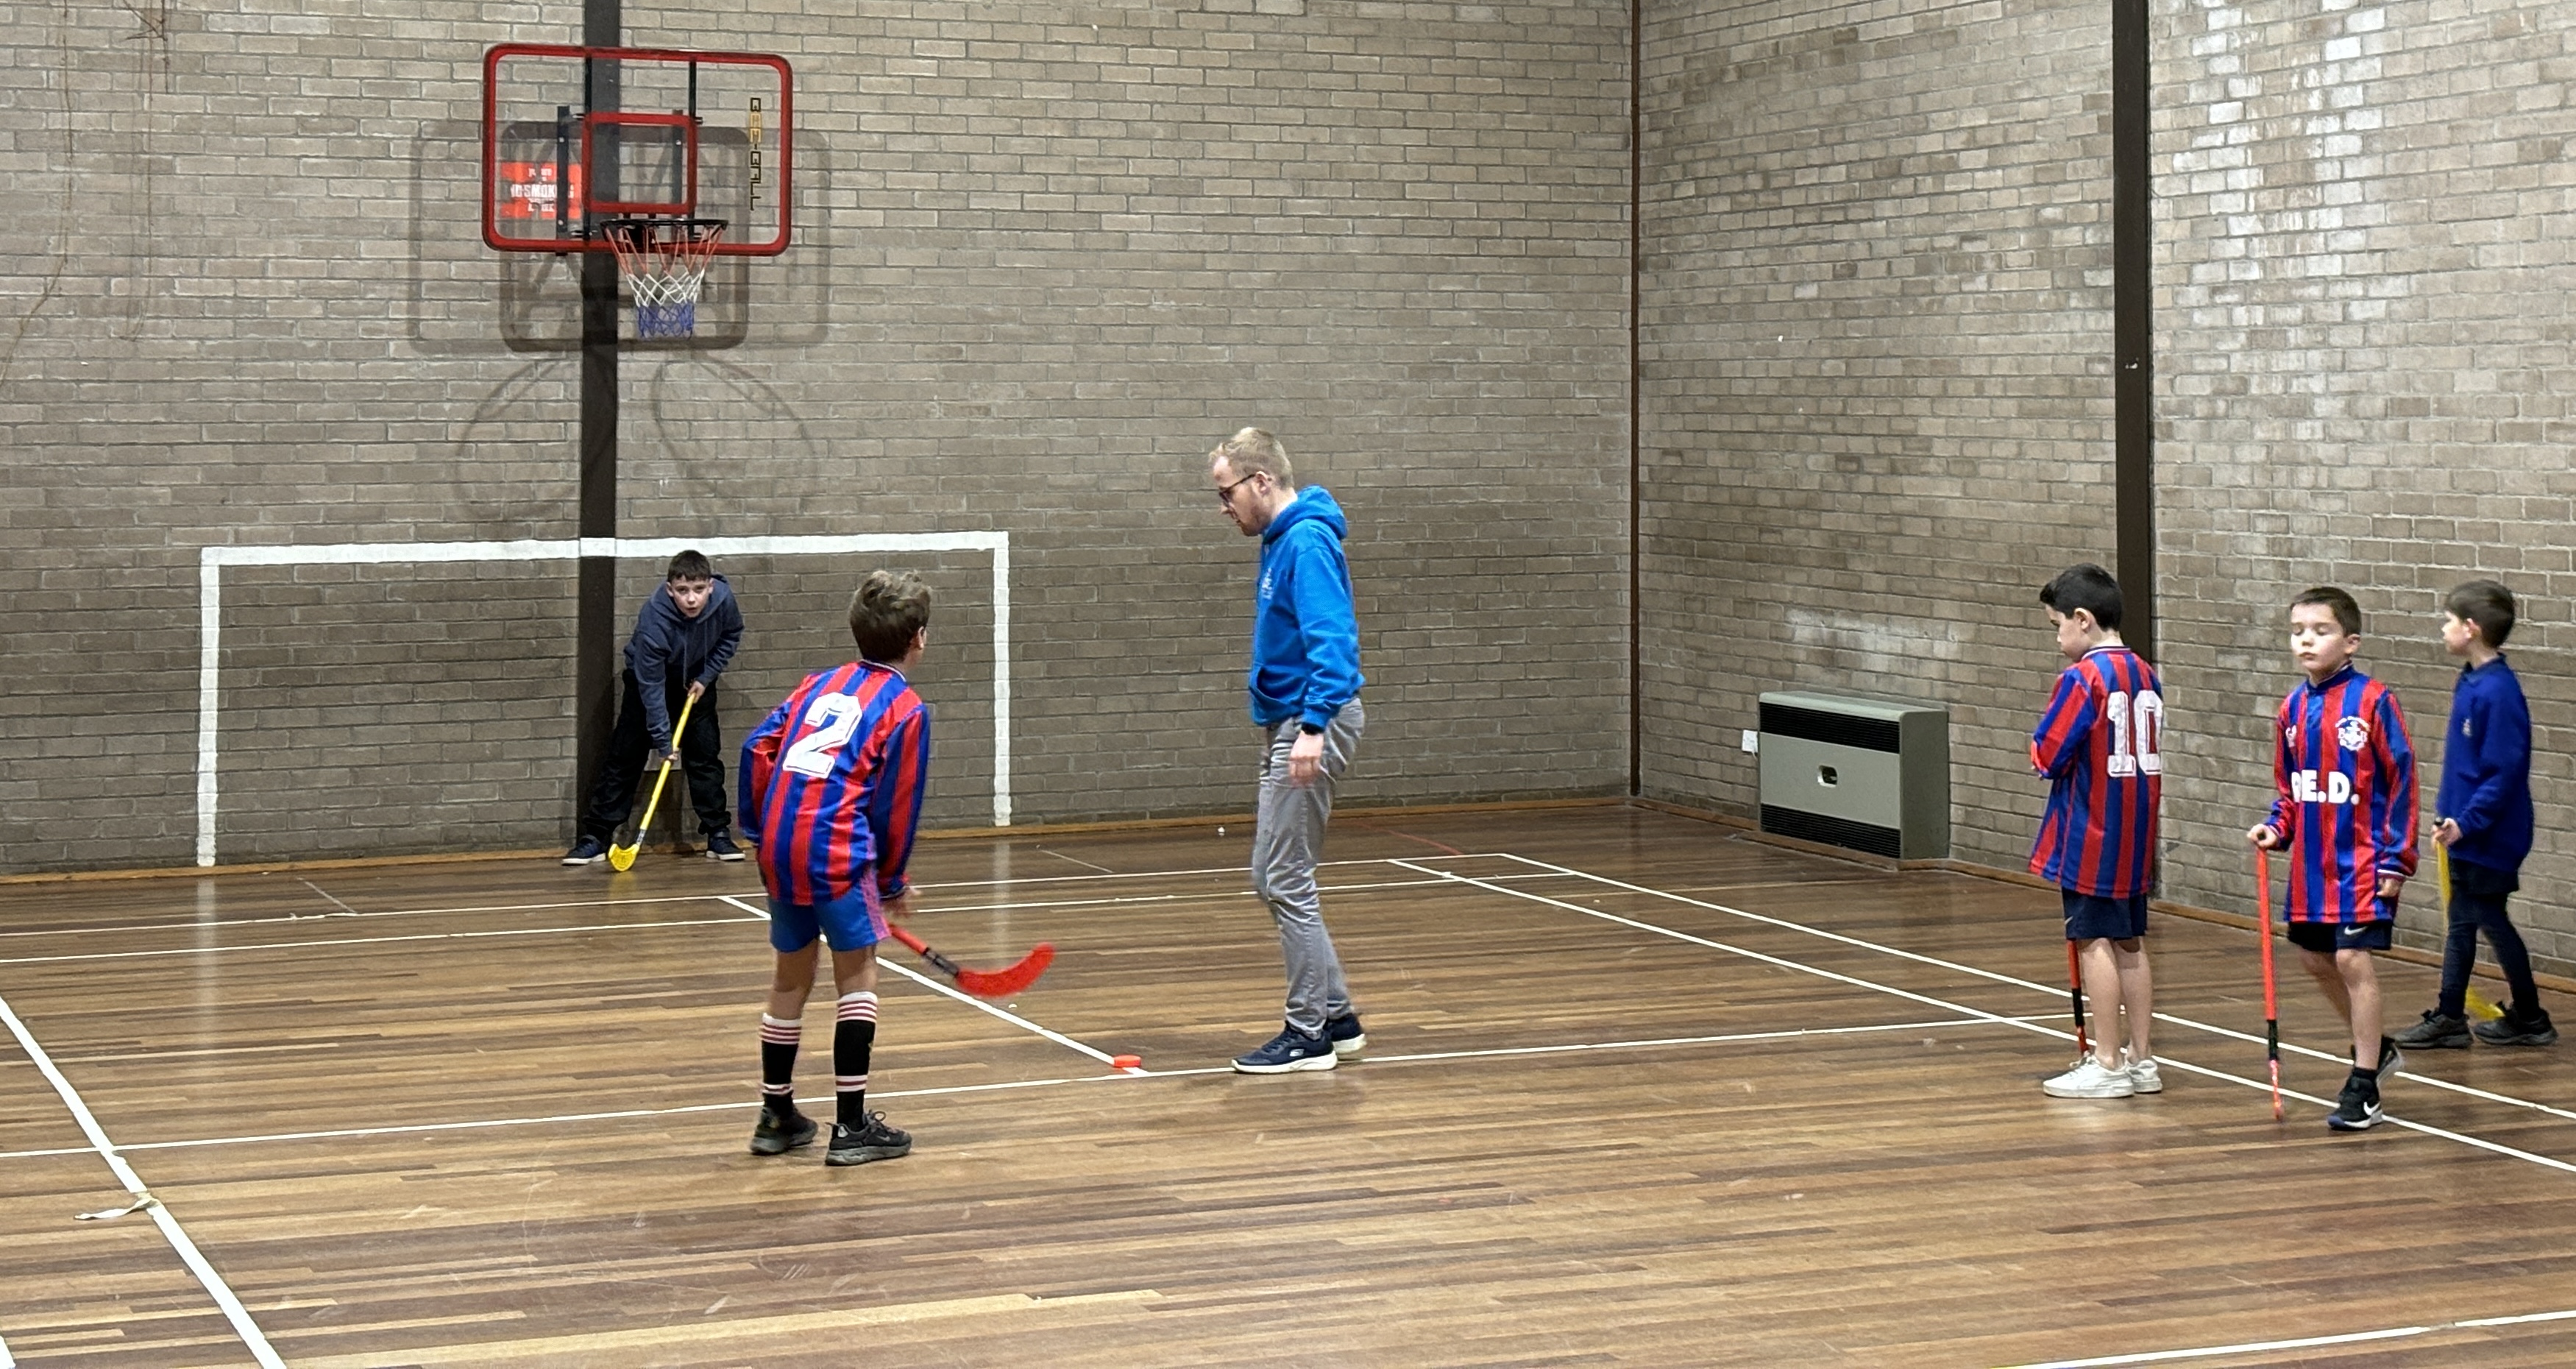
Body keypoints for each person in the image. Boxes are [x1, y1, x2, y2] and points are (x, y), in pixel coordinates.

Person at [734, 569, 933, 1166]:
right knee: (857, 976)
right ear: (918, 637)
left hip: (780, 842)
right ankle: (850, 1126)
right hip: (837, 849)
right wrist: (892, 880)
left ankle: (777, 1116)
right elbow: (895, 804)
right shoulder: (904, 707)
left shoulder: (819, 684)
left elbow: (756, 748)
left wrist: (756, 829)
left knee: (790, 977)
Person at [1209, 428, 1368, 1074]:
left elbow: (1335, 639)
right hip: (1290, 721)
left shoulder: (1305, 540)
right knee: (1271, 876)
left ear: (1261, 482)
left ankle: (1309, 1034)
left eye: (1227, 493)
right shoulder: (1283, 540)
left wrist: (1313, 726)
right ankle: (1337, 1016)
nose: (1224, 507)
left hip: (1310, 724)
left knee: (1284, 878)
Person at [2247, 586, 2419, 1131]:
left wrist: (2396, 859)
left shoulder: (2373, 701)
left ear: (2350, 642)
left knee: (2351, 960)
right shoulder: (2291, 708)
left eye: (2319, 631)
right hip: (2311, 871)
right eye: (2298, 631)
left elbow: (2400, 783)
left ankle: (2363, 1082)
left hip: (2363, 863)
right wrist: (2277, 828)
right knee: (2313, 959)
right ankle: (2378, 1047)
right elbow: (2290, 789)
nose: (2305, 640)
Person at [2393, 579, 2555, 1050]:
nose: (2442, 630)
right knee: (2472, 919)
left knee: (2477, 918)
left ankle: (2490, 1016)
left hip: (2491, 835)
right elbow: (2468, 766)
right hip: (2467, 830)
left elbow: (2504, 772)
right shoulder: (2471, 680)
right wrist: (2450, 815)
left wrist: (2469, 821)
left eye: (2447, 621)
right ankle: (2505, 1016)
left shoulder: (2499, 692)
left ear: (2471, 628)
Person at [2028, 565, 2163, 1100]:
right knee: (2129, 941)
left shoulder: (2082, 678)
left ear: (2082, 621)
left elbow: (2048, 752)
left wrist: (2035, 749)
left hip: (2090, 833)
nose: (2056, 635)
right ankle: (2140, 1058)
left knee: (2093, 941)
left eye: (2055, 624)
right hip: (2134, 834)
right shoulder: (2145, 673)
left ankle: (2106, 1061)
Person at [563, 549, 748, 865]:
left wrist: (706, 676)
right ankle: (597, 836)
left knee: (705, 756)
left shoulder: (725, 601)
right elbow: (651, 689)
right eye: (683, 591)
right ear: (669, 589)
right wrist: (664, 742)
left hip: (697, 682)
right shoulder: (655, 619)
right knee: (625, 756)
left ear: (710, 588)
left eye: (699, 590)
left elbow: (731, 636)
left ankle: (718, 834)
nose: (692, 599)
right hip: (647, 682)